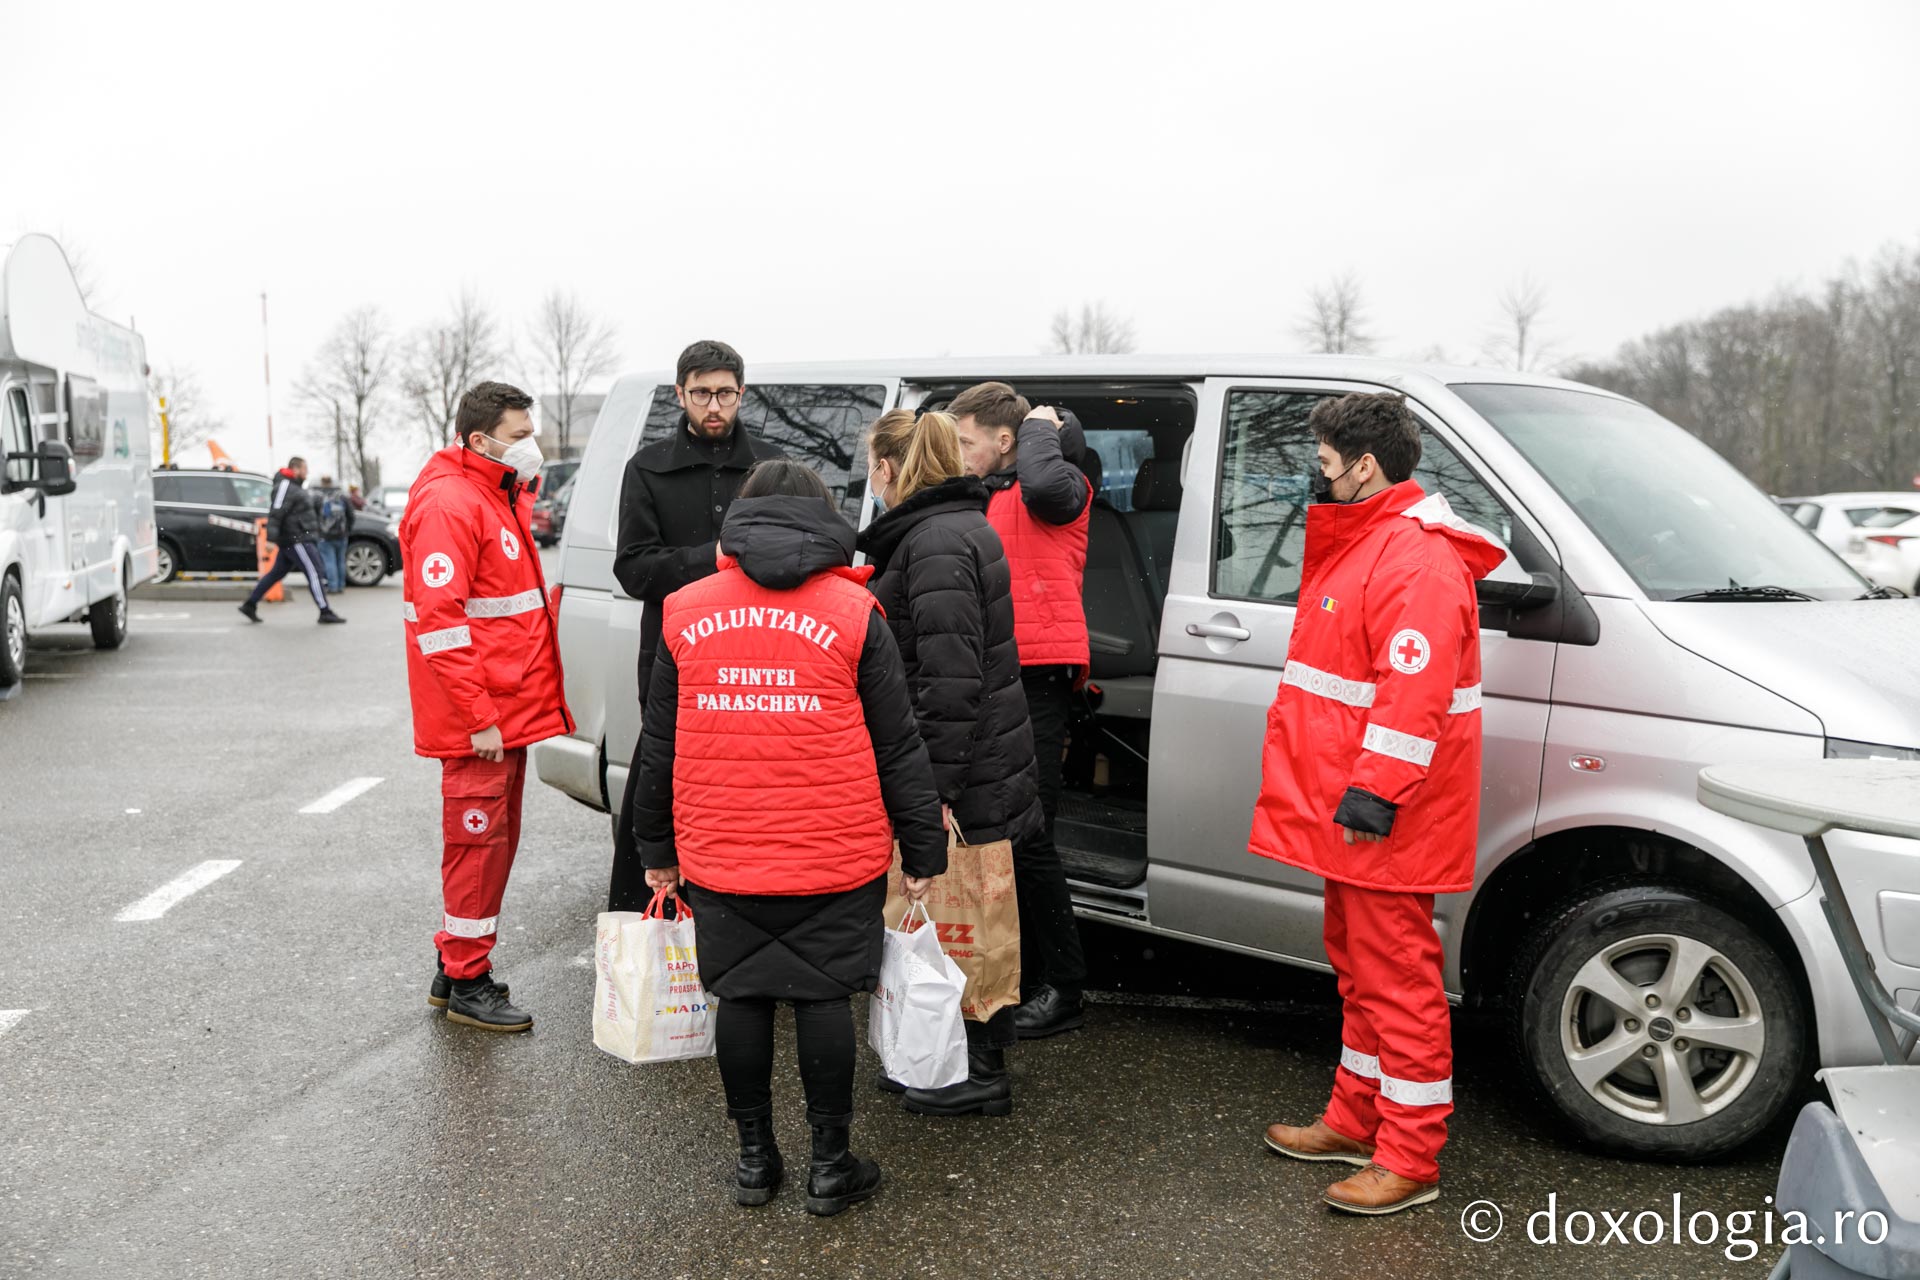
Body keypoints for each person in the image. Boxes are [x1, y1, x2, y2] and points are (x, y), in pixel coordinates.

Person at [633, 459, 946, 1216]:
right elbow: (897, 742)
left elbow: (659, 746)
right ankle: (831, 1167)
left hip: (722, 850)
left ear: (741, 520)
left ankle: (753, 1163)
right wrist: (923, 850)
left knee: (740, 997)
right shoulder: (853, 611)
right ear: (824, 519)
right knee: (821, 999)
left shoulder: (683, 609)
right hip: (833, 854)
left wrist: (656, 851)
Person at [1252, 392, 1504, 1216]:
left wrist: (1375, 791)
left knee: (1398, 981)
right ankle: (1356, 1117)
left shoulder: (1415, 558)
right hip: (1356, 809)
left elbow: (1413, 692)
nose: (1315, 478)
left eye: (1325, 464)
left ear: (1365, 465)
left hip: (1385, 815)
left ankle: (1409, 1155)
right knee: (1360, 970)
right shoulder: (1373, 543)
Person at [856, 408, 1044, 1116]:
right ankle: (933, 1051)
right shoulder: (949, 529)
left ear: (890, 468)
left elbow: (949, 681)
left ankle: (979, 1069)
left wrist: (931, 792)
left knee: (967, 926)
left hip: (964, 777)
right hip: (979, 764)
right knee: (947, 922)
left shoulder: (933, 542)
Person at [399, 381, 573, 1033]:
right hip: (481, 722)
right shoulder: (452, 502)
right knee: (477, 847)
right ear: (481, 440)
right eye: (521, 435)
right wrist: (480, 717)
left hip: (504, 713)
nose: (533, 448)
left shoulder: (494, 496)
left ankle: (456, 967)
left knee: (493, 844)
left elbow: (508, 609)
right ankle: (469, 980)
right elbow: (441, 628)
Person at [607, 339, 785, 912]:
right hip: (671, 653)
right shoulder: (648, 467)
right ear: (681, 393)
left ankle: (735, 913)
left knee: (747, 787)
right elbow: (633, 569)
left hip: (760, 650)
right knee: (661, 777)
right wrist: (710, 558)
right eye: (702, 393)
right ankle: (646, 914)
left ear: (741, 394)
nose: (715, 406)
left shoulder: (771, 465)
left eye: (726, 394)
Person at [950, 382, 1091, 1039]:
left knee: (1030, 836)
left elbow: (1043, 482)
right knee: (1004, 835)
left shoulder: (1061, 486)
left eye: (968, 441)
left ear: (1007, 441)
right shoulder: (988, 495)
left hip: (1037, 678)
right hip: (994, 673)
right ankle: (1023, 974)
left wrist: (1038, 425)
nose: (958, 454)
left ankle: (1063, 988)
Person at [237, 456, 345, 624]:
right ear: (295, 469)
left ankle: (250, 604)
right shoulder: (285, 486)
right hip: (297, 539)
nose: (307, 472)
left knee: (275, 574)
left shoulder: (294, 487)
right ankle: (325, 611)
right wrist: (271, 539)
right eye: (304, 469)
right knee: (315, 572)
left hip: (296, 538)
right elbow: (276, 512)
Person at [311, 474, 355, 593]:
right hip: (341, 535)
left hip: (325, 536)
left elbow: (313, 516)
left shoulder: (318, 497)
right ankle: (341, 585)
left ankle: (332, 586)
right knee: (341, 560)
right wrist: (347, 530)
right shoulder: (341, 496)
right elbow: (351, 515)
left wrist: (317, 531)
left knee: (329, 561)